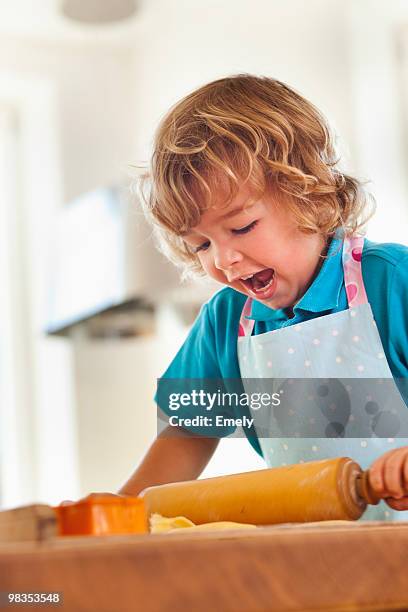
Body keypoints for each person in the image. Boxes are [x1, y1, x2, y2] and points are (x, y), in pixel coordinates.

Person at [119, 74, 408, 520]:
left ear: (308, 193)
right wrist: (113, 519)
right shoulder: (226, 321)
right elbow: (183, 439)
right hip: (309, 565)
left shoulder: (391, 282)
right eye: (201, 245)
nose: (224, 259)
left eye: (241, 228)